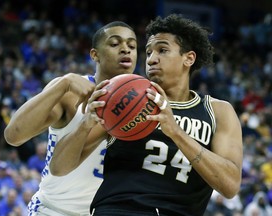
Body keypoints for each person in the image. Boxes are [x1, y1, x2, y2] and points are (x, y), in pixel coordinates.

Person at [66, 14, 242, 216]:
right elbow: (61, 167)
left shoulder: (218, 111)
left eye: (162, 50)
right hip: (119, 209)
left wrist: (176, 133)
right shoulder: (126, 97)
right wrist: (85, 125)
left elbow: (230, 186)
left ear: (189, 58)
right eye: (148, 52)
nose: (151, 59)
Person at [3, 21, 137, 216]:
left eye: (132, 46)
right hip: (54, 210)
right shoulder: (70, 91)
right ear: (94, 54)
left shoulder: (144, 102)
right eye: (115, 43)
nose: (126, 49)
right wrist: (63, 84)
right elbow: (13, 136)